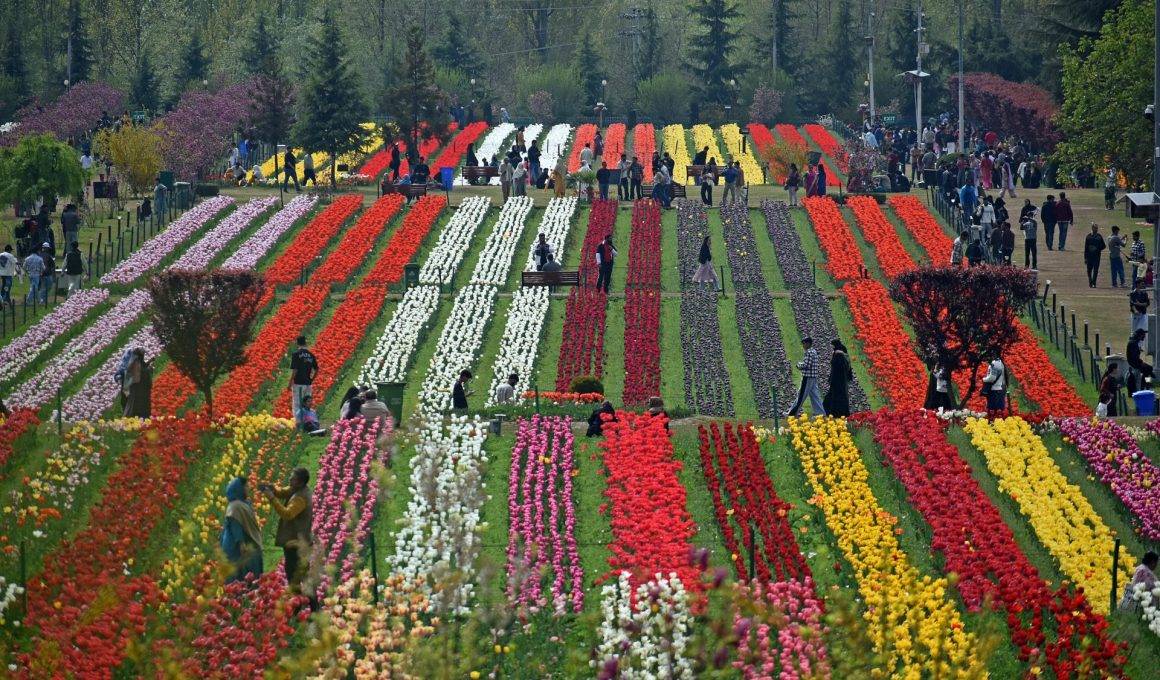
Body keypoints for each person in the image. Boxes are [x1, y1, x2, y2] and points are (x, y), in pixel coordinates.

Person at [260, 468, 314, 601]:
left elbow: (287, 514)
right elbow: (284, 492)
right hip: (296, 540)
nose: (290, 480)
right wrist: (273, 489)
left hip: (296, 543)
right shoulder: (297, 489)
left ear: (300, 483)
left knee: (295, 574)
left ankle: (301, 605)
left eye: (293, 479)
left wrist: (272, 498)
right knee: (299, 574)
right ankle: (304, 605)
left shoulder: (301, 497)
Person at [220, 477, 263, 583]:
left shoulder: (244, 503)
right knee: (240, 570)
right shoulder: (234, 506)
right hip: (235, 544)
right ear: (239, 489)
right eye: (246, 486)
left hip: (247, 538)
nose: (248, 488)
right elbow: (236, 526)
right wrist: (241, 543)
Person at [787, 336, 825, 416]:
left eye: (804, 343)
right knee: (815, 396)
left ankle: (792, 413)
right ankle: (820, 413)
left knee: (801, 395)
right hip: (813, 377)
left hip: (808, 377)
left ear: (808, 343)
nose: (803, 345)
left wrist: (798, 365)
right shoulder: (813, 351)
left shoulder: (809, 352)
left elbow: (806, 365)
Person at [822, 339, 854, 417]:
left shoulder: (838, 354)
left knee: (834, 396)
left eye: (832, 345)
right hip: (842, 380)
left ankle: (834, 412)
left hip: (837, 380)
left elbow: (836, 368)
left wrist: (831, 379)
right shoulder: (842, 351)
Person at [289, 336, 318, 417]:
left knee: (297, 405)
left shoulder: (296, 354)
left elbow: (295, 370)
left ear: (297, 343)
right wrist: (312, 379)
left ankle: (298, 425)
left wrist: (290, 382)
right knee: (307, 404)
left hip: (299, 383)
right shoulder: (311, 355)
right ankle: (307, 422)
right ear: (305, 343)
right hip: (308, 384)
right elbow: (316, 369)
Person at [120, 347, 152, 417]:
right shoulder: (143, 369)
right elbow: (149, 384)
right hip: (141, 398)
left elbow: (125, 388)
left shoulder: (130, 366)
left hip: (133, 396)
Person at [1084, 223, 1106, 288]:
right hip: (1089, 256)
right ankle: (1090, 281)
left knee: (1095, 270)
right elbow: (1086, 248)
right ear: (1092, 228)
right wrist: (1085, 258)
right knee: (1089, 270)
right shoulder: (1088, 236)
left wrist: (1097, 248)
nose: (1096, 229)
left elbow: (1104, 246)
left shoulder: (1099, 237)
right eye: (1095, 228)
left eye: (1097, 228)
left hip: (1097, 256)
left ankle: (1094, 283)